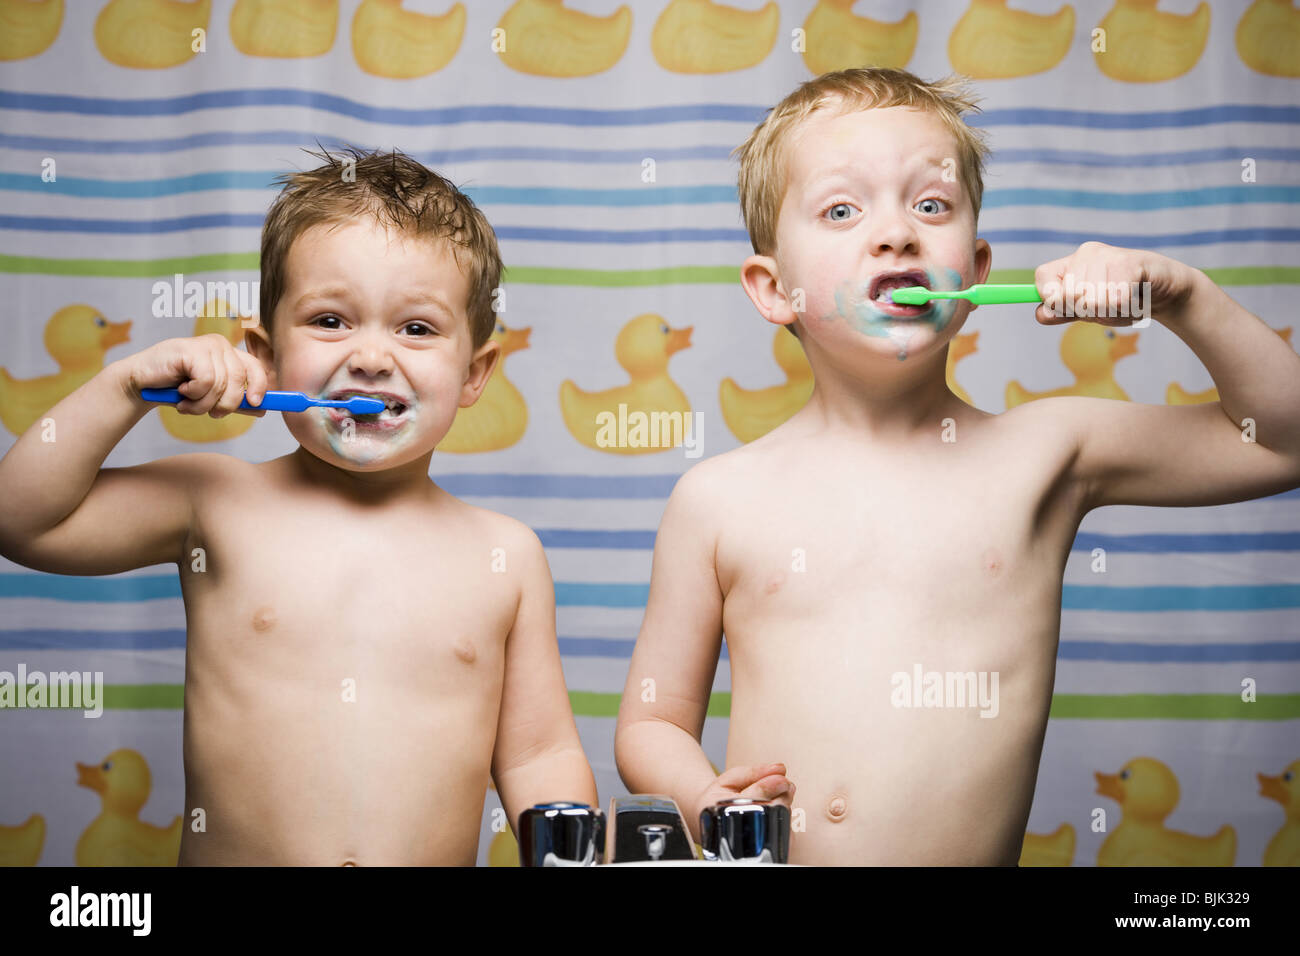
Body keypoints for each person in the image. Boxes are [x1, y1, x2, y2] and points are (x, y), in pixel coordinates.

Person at [613, 68, 1300, 864]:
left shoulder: (1047, 453)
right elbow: (653, 723)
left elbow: (1277, 439)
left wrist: (1186, 297)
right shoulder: (718, 498)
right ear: (775, 289)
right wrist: (705, 800)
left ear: (974, 273)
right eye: (842, 209)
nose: (896, 233)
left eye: (930, 205)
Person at [0, 147, 597, 865]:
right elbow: (23, 519)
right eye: (330, 321)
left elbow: (539, 756)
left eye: (416, 329)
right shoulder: (214, 503)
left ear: (473, 374)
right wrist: (126, 386)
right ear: (266, 354)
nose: (373, 357)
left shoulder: (506, 556)